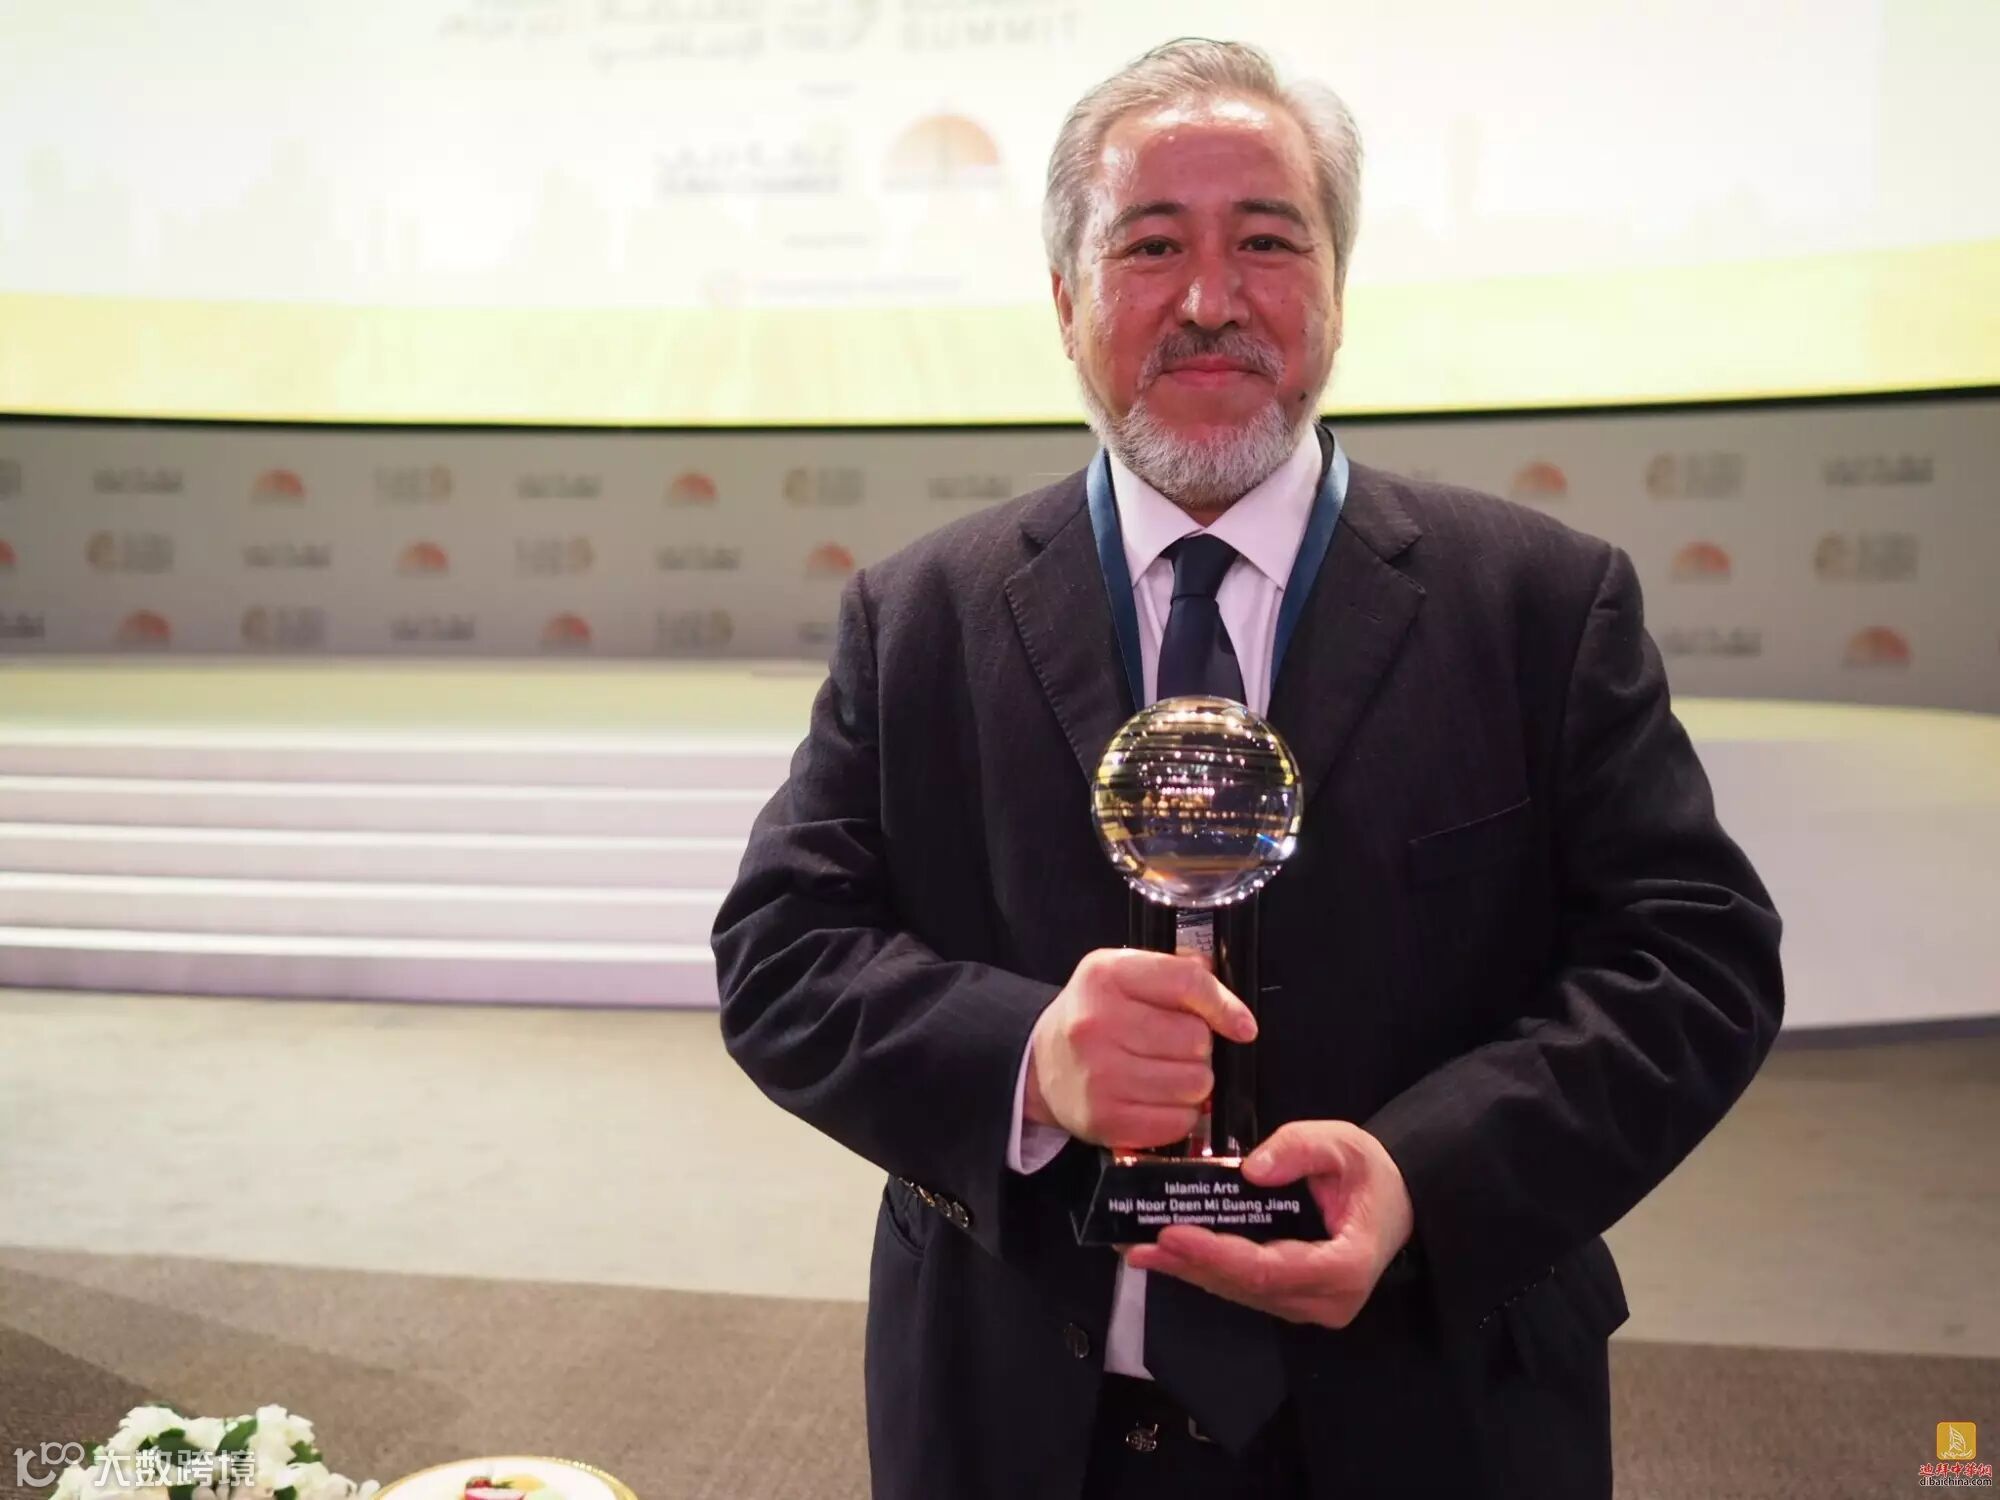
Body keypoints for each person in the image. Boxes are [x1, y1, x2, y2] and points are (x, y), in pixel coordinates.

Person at [712, 37, 1783, 1500]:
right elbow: (783, 954)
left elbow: (1694, 962)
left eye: (1266, 243)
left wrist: (1425, 1176)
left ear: (1336, 286)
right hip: (1019, 1421)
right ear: (1064, 298)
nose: (1210, 300)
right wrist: (1030, 1062)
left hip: (1434, 1411)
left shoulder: (1538, 605)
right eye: (1152, 246)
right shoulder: (917, 619)